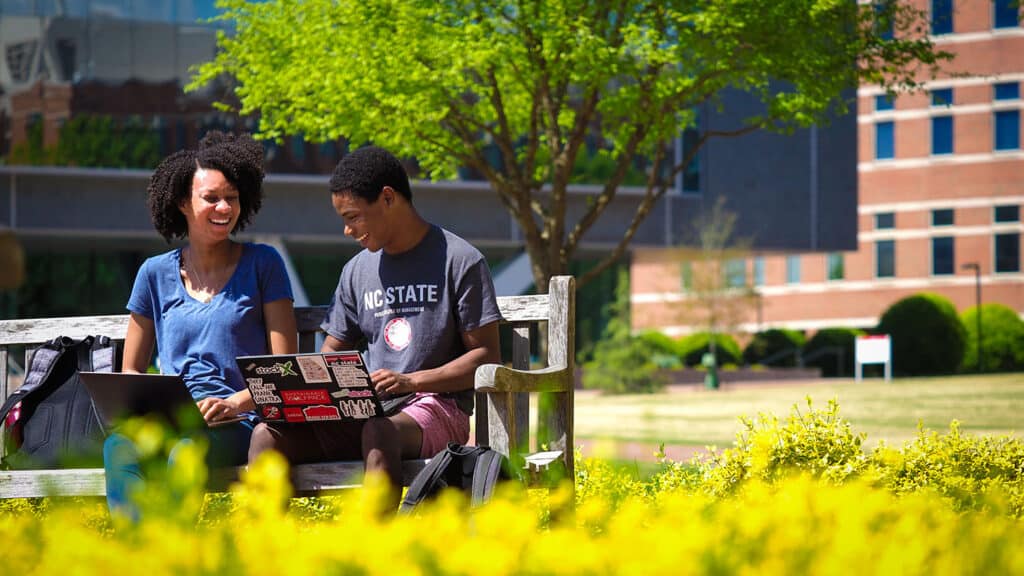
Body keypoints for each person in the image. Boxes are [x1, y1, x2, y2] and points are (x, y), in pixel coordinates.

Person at [248, 146, 501, 509]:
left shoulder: (460, 260)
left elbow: (486, 357)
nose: (348, 230)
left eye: (353, 217)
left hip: (436, 408)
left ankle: (375, 554)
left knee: (379, 430)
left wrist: (413, 381)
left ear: (387, 198)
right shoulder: (357, 271)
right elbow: (333, 349)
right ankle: (266, 556)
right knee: (266, 436)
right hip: (370, 410)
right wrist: (318, 391)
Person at [104, 131, 298, 520]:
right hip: (170, 419)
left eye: (232, 198)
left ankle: (172, 552)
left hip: (236, 422)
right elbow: (131, 372)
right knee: (118, 446)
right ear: (183, 203)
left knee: (185, 450)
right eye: (211, 198)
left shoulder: (264, 264)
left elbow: (285, 369)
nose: (224, 207)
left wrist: (235, 402)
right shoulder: (153, 274)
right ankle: (139, 552)